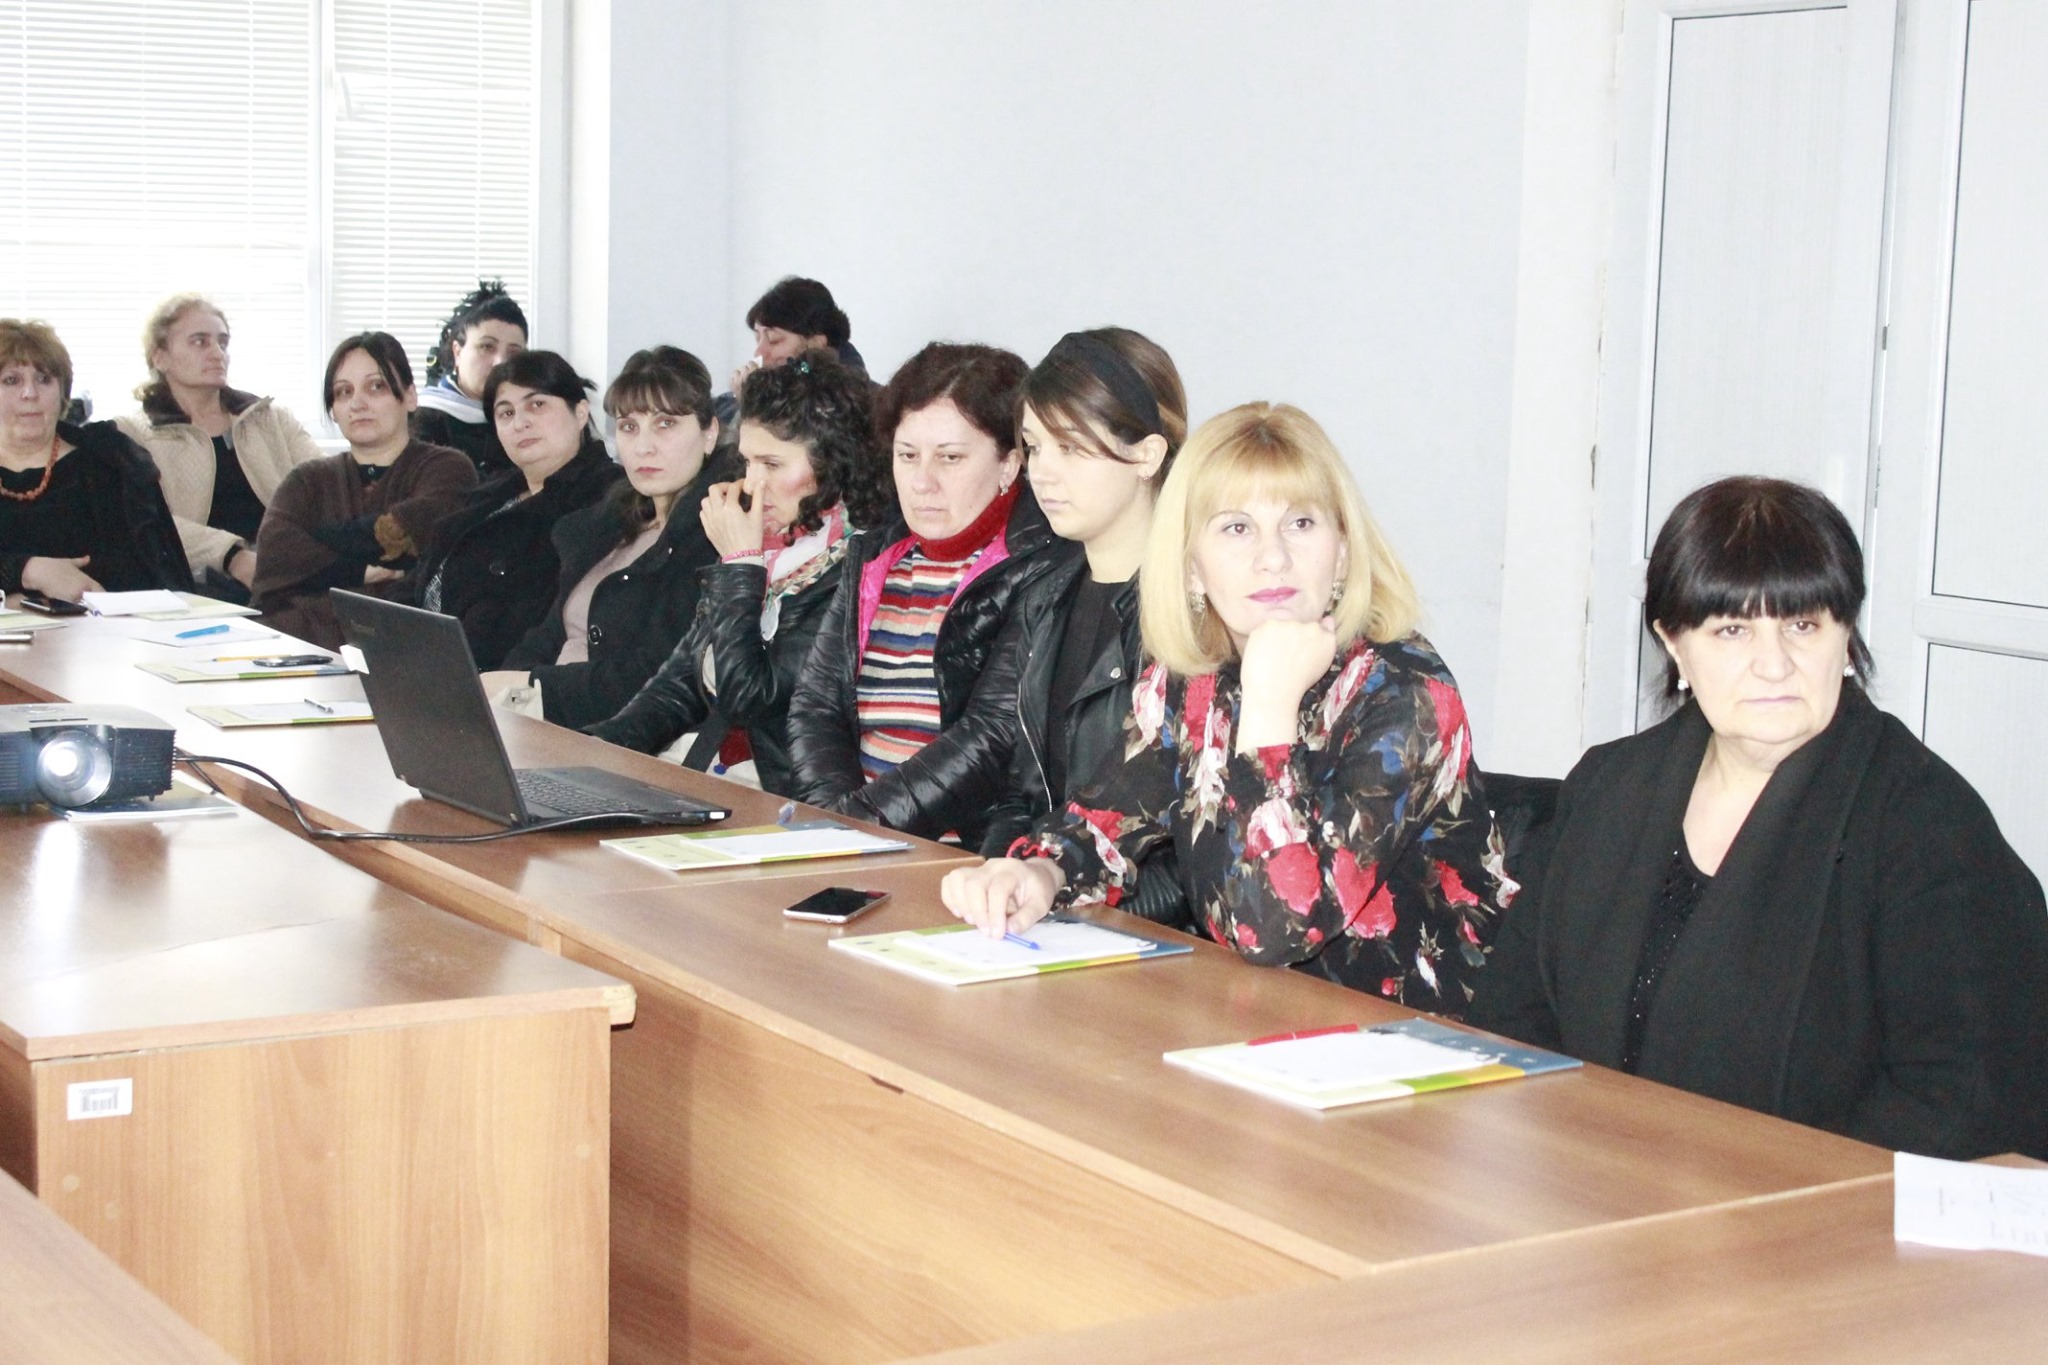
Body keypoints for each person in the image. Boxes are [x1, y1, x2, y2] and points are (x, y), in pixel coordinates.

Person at [1469, 477, 2048, 1158]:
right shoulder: (1609, 785)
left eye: (1803, 625)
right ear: (1675, 644)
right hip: (1590, 1177)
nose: (1774, 665)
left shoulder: (1927, 825)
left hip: (1810, 1208)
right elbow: (1513, 1017)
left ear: (1845, 635)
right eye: (1732, 629)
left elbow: (1965, 1102)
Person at [941, 402, 1510, 1017]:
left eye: (1300, 523)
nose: (1273, 556)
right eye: (1237, 528)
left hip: (1410, 1045)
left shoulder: (1407, 691)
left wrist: (1269, 709)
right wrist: (1036, 874)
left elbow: (1278, 927)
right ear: (1192, 566)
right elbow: (1105, 821)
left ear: (1343, 553)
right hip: (1250, 1018)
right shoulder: (1194, 679)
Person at [785, 341, 1074, 845]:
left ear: (1009, 464)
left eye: (950, 458)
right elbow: (815, 707)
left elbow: (990, 735)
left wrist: (851, 828)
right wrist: (837, 824)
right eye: (907, 455)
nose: (922, 482)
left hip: (963, 855)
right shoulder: (875, 558)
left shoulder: (1041, 565)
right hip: (855, 836)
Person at [588, 351, 880, 793]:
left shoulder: (858, 567)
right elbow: (679, 685)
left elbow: (748, 698)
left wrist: (741, 563)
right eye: (747, 462)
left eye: (772, 465)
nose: (752, 483)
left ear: (832, 465)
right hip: (720, 772)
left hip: (790, 796)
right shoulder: (775, 545)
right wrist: (592, 749)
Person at [979, 328, 1186, 865]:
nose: (1042, 473)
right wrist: (999, 874)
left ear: (1146, 456)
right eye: (1034, 447)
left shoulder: (1193, 615)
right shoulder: (1044, 597)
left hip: (1130, 906)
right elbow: (1021, 794)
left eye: (1070, 447)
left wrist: (1049, 886)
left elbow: (1180, 847)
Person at [482, 348, 732, 729]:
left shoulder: (714, 534)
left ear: (709, 432)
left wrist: (530, 687)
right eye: (629, 427)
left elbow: (660, 674)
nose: (643, 447)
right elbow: (548, 635)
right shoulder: (609, 526)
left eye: (665, 424)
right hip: (549, 724)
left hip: (625, 737)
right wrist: (496, 686)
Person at [250, 333, 476, 649]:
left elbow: (418, 530)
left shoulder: (448, 468)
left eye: (376, 387)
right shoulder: (306, 480)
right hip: (294, 646)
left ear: (410, 396)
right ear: (333, 409)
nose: (358, 404)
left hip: (399, 650)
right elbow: (276, 555)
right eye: (344, 392)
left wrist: (317, 547)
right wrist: (360, 570)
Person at [410, 350, 622, 671]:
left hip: (502, 677)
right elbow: (423, 574)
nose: (520, 423)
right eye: (506, 413)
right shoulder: (490, 495)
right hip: (424, 662)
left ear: (580, 413)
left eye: (536, 405)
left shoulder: (607, 497)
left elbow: (542, 620)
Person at [115, 293, 321, 599]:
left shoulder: (271, 419)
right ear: (160, 357)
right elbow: (147, 523)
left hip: (286, 570)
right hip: (195, 584)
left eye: (222, 343)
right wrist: (232, 556)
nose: (217, 353)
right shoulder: (133, 434)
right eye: (200, 342)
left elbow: (325, 487)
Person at [0, 319, 193, 601]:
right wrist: (28, 571)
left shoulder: (109, 461)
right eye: (11, 380)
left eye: (44, 379)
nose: (30, 394)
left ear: (62, 392)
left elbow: (148, 574)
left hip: (105, 623)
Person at [715, 276, 865, 438]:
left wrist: (751, 405)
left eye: (774, 340)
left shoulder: (856, 409)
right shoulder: (724, 405)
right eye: (758, 338)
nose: (759, 352)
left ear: (816, 344)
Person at [413, 280, 529, 474]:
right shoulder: (421, 424)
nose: (500, 362)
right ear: (457, 352)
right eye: (487, 347)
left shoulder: (529, 424)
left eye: (513, 353)